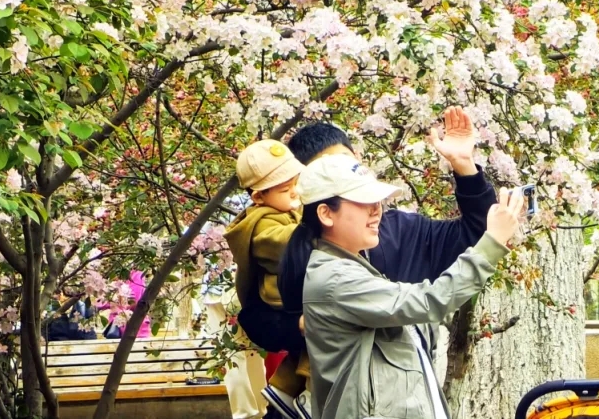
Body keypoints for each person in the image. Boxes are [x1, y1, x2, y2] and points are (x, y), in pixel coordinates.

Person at [237, 107, 497, 362]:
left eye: (349, 166)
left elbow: (478, 231)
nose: (374, 210)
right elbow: (255, 316)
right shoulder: (289, 245)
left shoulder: (401, 230)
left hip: (411, 391)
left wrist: (464, 166)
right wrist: (305, 325)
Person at [278, 154, 524, 419]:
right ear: (326, 213)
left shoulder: (353, 269)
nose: (376, 210)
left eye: (377, 201)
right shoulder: (335, 278)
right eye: (363, 202)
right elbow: (431, 301)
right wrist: (493, 242)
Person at [224, 139, 309, 418]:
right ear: (259, 196)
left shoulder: (284, 210)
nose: (295, 192)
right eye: (286, 189)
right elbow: (287, 244)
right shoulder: (260, 224)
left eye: (296, 183)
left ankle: (285, 392)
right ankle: (286, 394)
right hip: (281, 301)